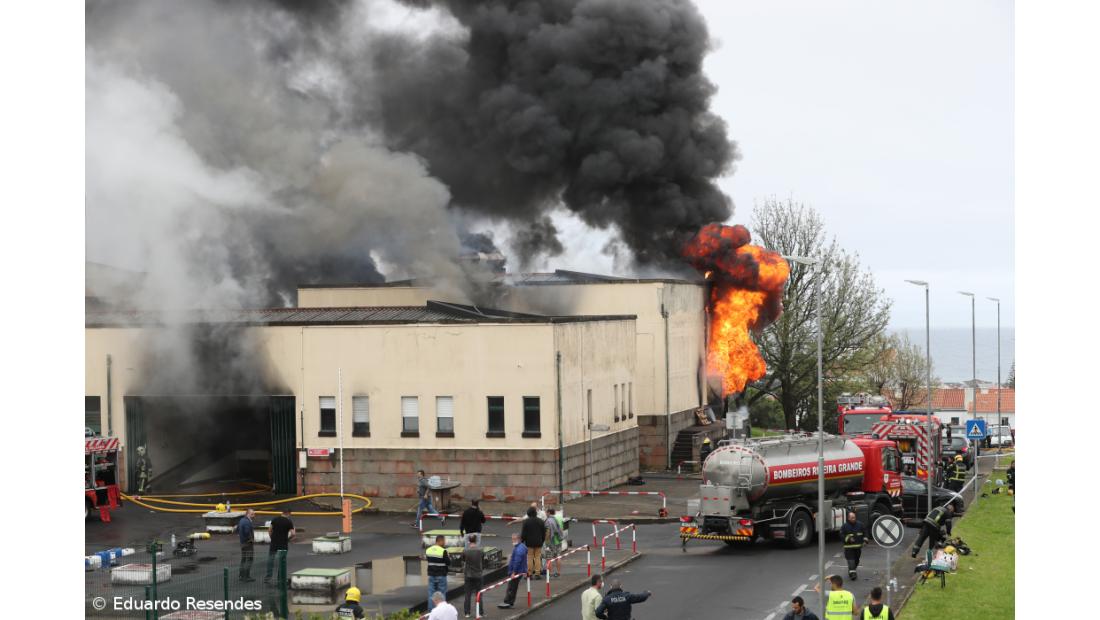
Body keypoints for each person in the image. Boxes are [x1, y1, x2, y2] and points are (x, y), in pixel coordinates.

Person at [265, 507, 295, 584]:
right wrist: (288, 539)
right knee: (282, 561)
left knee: (270, 560)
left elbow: (269, 530)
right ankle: (280, 578)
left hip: (274, 543)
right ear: (288, 513)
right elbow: (293, 534)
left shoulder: (275, 519)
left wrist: (272, 538)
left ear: (282, 512)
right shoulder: (289, 522)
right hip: (283, 544)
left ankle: (268, 577)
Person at [498, 533, 527, 609]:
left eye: (514, 539)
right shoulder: (522, 547)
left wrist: (513, 572)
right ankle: (509, 601)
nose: (513, 541)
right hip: (519, 571)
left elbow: (517, 561)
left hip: (516, 572)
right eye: (512, 539)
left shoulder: (519, 549)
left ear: (519, 539)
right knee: (512, 587)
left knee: (511, 587)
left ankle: (508, 602)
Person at [462, 535, 484, 619]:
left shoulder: (465, 550)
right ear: (476, 540)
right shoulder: (480, 550)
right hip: (478, 575)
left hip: (468, 575)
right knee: (479, 595)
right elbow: (482, 560)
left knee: (467, 595)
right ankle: (480, 613)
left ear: (469, 541)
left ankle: (467, 613)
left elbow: (463, 560)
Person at [520, 506, 546, 577]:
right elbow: (544, 532)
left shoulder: (526, 522)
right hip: (539, 542)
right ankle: (537, 573)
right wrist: (542, 540)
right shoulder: (540, 521)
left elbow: (523, 533)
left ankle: (530, 573)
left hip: (529, 543)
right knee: (537, 557)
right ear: (535, 513)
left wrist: (522, 541)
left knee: (529, 557)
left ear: (528, 514)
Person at [426, 534, 451, 609]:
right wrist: (448, 556)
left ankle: (431, 612)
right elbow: (448, 563)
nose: (444, 543)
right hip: (441, 575)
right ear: (440, 541)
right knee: (442, 595)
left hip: (431, 575)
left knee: (431, 594)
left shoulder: (428, 550)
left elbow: (429, 561)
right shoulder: (443, 551)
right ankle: (441, 611)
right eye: (444, 541)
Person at [840, 512, 864, 581]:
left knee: (856, 561)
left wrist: (865, 539)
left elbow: (865, 532)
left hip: (857, 548)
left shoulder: (860, 525)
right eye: (852, 518)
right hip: (849, 548)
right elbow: (841, 536)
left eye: (854, 517)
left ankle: (852, 570)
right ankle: (852, 574)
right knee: (851, 561)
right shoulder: (844, 526)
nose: (854, 519)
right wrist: (849, 539)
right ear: (848, 518)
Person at [543, 508, 565, 577]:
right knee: (558, 556)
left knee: (549, 558)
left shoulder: (548, 520)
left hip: (551, 541)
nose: (545, 514)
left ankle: (550, 573)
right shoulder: (558, 518)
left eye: (546, 512)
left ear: (549, 512)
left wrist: (546, 542)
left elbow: (548, 532)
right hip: (558, 540)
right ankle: (558, 572)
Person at [236, 508, 256, 582]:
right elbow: (247, 531)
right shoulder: (247, 522)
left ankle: (241, 575)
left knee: (243, 559)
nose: (254, 515)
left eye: (254, 514)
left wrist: (241, 536)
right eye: (252, 514)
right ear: (247, 514)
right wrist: (251, 539)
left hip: (242, 543)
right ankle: (246, 576)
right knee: (249, 559)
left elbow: (237, 529)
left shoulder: (241, 520)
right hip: (247, 544)